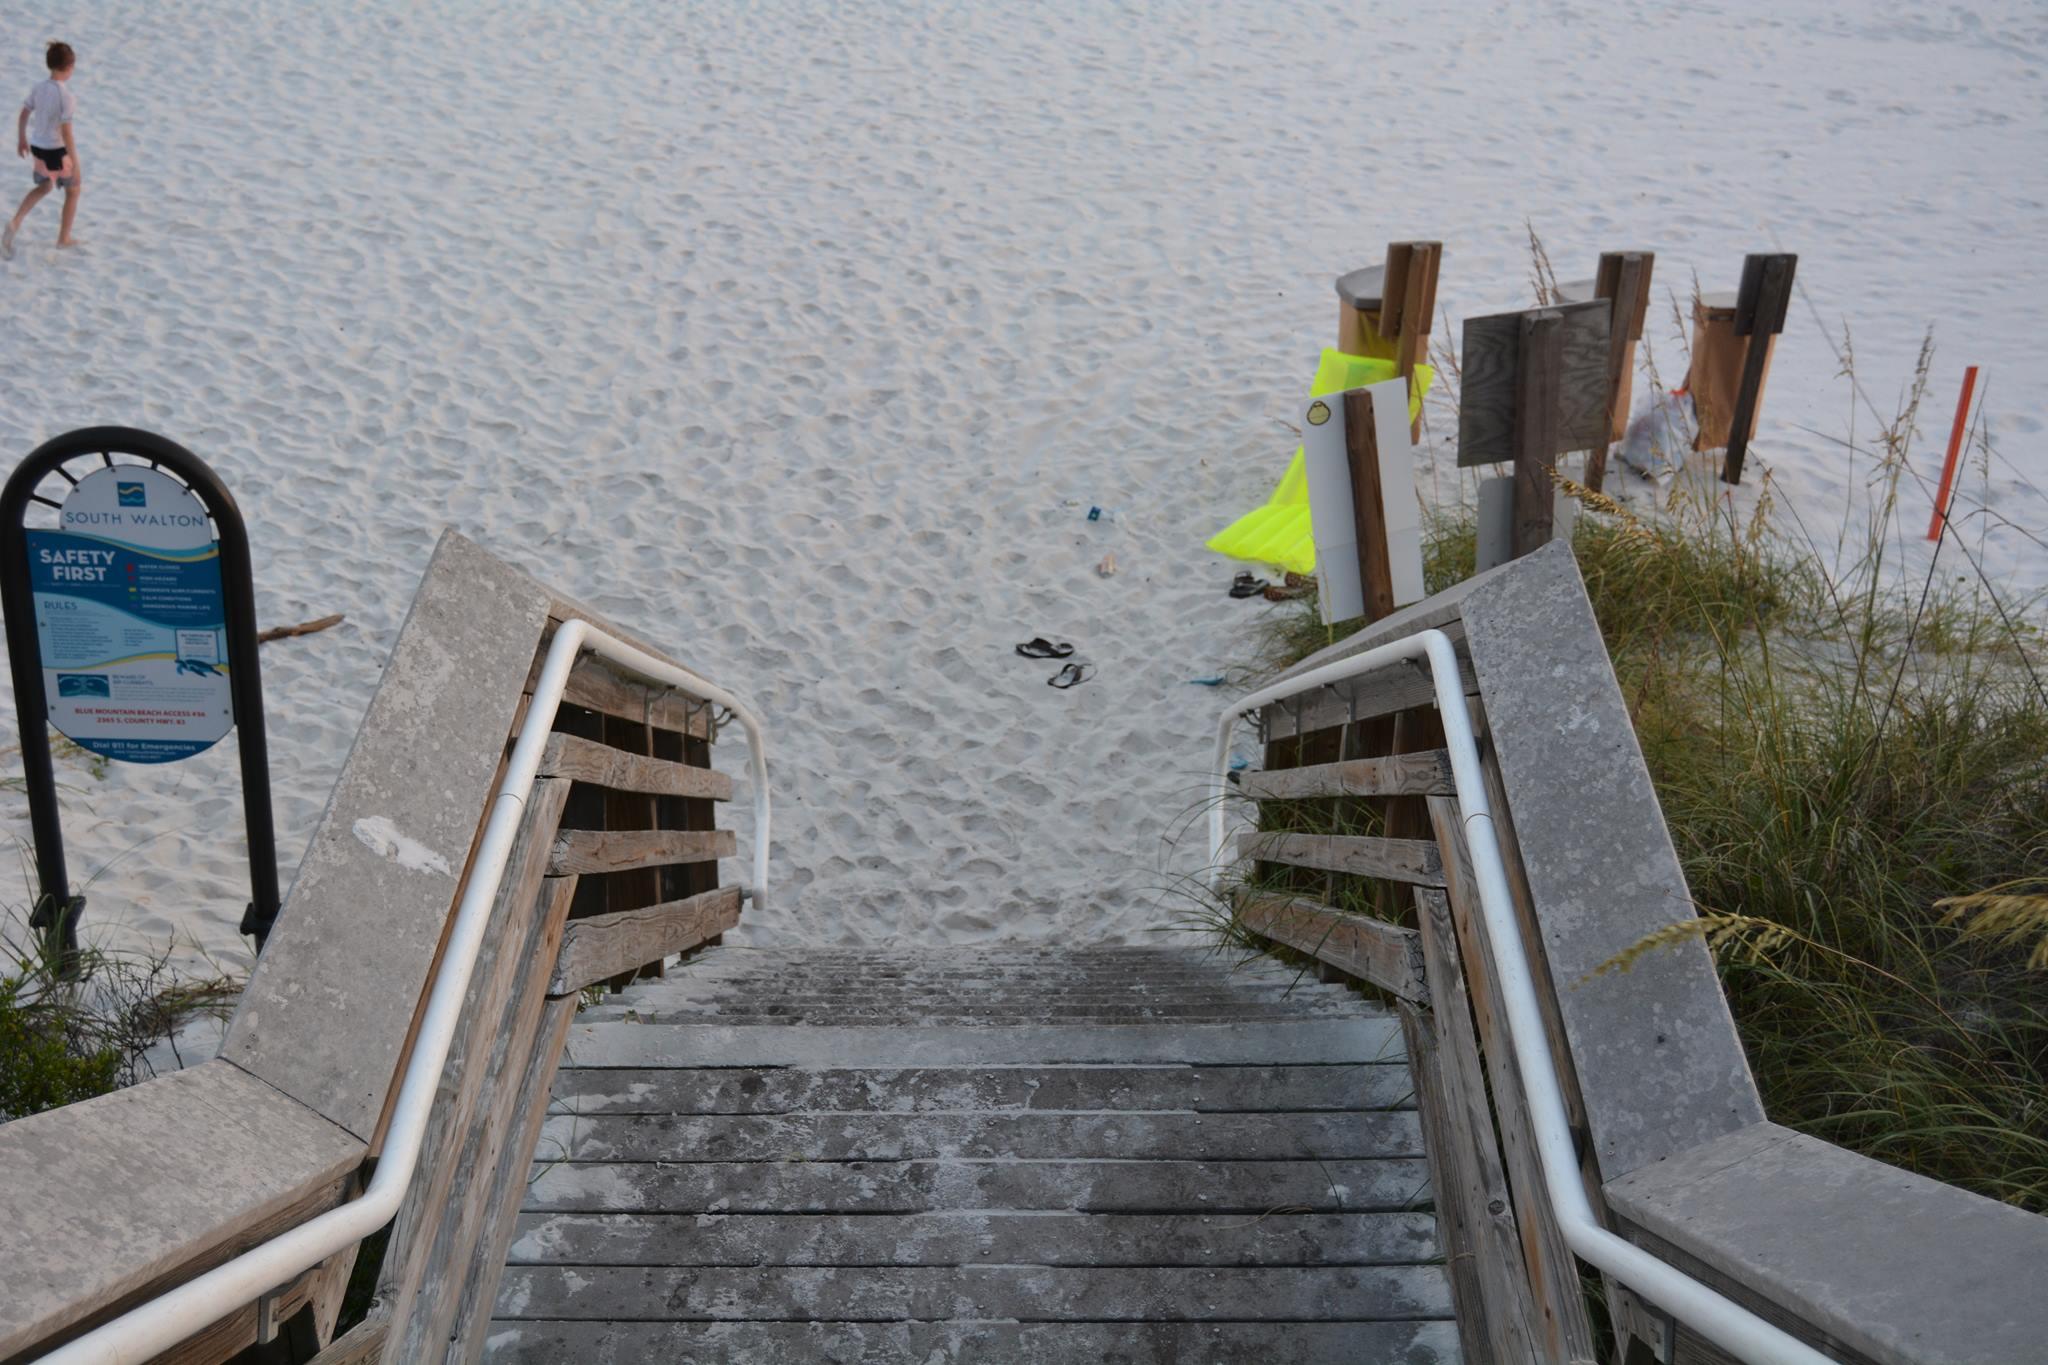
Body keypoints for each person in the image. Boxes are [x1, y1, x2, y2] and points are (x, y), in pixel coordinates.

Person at [3, 41, 81, 258]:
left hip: (37, 146)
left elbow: (24, 114)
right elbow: (66, 133)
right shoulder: (67, 96)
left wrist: (21, 139)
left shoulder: (38, 88)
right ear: (69, 68)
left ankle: (16, 221)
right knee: (74, 189)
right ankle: (63, 239)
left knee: (45, 186)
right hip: (56, 150)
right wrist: (75, 162)